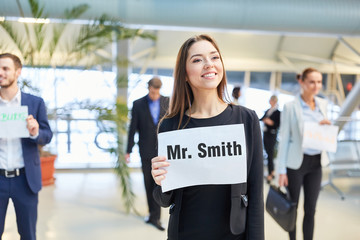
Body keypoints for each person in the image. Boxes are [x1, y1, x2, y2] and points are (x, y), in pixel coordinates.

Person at [151, 35, 264, 240]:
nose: (208, 64)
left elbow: (255, 193)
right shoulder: (170, 126)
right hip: (185, 233)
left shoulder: (246, 119)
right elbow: (163, 199)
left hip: (234, 234)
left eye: (214, 57)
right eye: (197, 60)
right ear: (184, 74)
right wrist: (160, 181)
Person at [0, 53, 53, 240]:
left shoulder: (34, 102)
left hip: (25, 180)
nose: (1, 73)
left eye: (5, 68)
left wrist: (35, 132)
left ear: (18, 72)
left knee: (28, 234)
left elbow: (47, 136)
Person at [277, 68, 331, 240]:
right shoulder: (290, 107)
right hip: (296, 163)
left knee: (311, 210)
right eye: (312, 82)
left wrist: (327, 127)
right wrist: (281, 170)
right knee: (292, 207)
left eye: (319, 82)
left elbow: (323, 135)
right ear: (302, 82)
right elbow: (284, 138)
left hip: (316, 163)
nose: (316, 86)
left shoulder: (322, 105)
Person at [125, 77, 169, 231]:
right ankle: (152, 215)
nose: (154, 95)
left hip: (163, 151)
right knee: (148, 183)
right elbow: (133, 129)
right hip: (145, 151)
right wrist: (128, 150)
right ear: (148, 88)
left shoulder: (167, 102)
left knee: (160, 184)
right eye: (152, 92)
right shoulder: (138, 104)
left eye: (157, 92)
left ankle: (156, 217)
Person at [260, 95, 280, 183]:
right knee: (268, 153)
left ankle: (271, 173)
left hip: (272, 135)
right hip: (266, 133)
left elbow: (277, 124)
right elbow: (262, 119)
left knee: (270, 154)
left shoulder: (277, 112)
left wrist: (270, 122)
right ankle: (270, 171)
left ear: (274, 101)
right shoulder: (268, 111)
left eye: (270, 100)